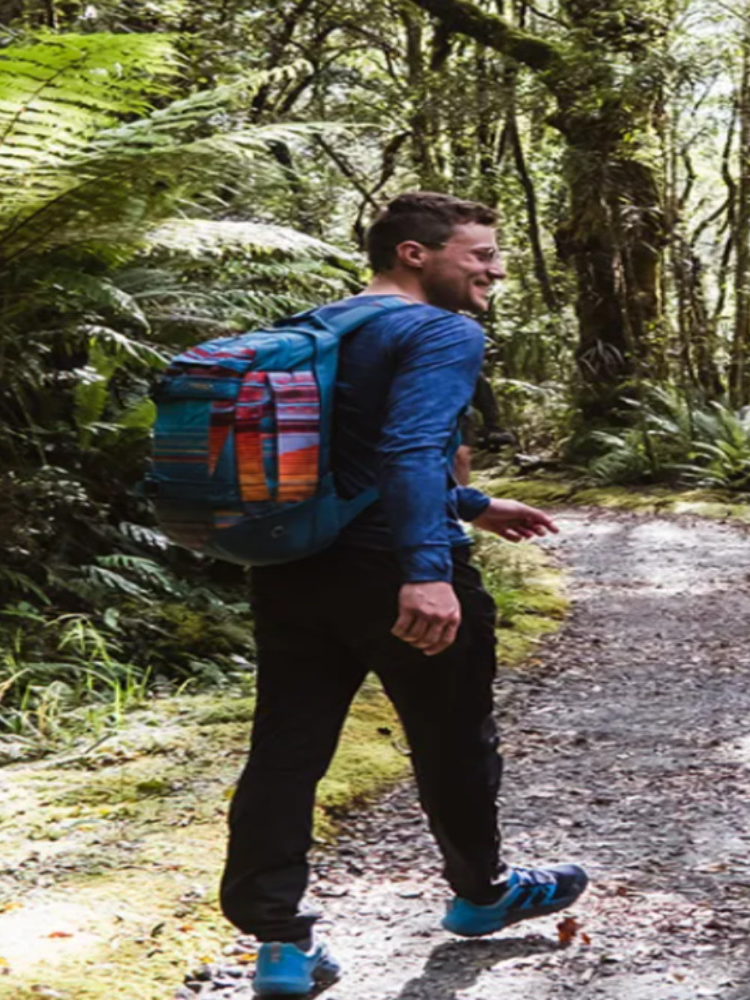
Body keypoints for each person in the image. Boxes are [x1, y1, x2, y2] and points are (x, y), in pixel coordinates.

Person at [220, 192, 588, 997]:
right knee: (454, 739)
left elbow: (343, 456)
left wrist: (474, 505)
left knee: (288, 746)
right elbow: (413, 445)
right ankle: (482, 895)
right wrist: (427, 568)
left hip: (293, 568)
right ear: (415, 254)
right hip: (393, 571)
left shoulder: (324, 324)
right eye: (481, 252)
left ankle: (278, 943)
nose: (495, 267)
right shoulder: (443, 329)